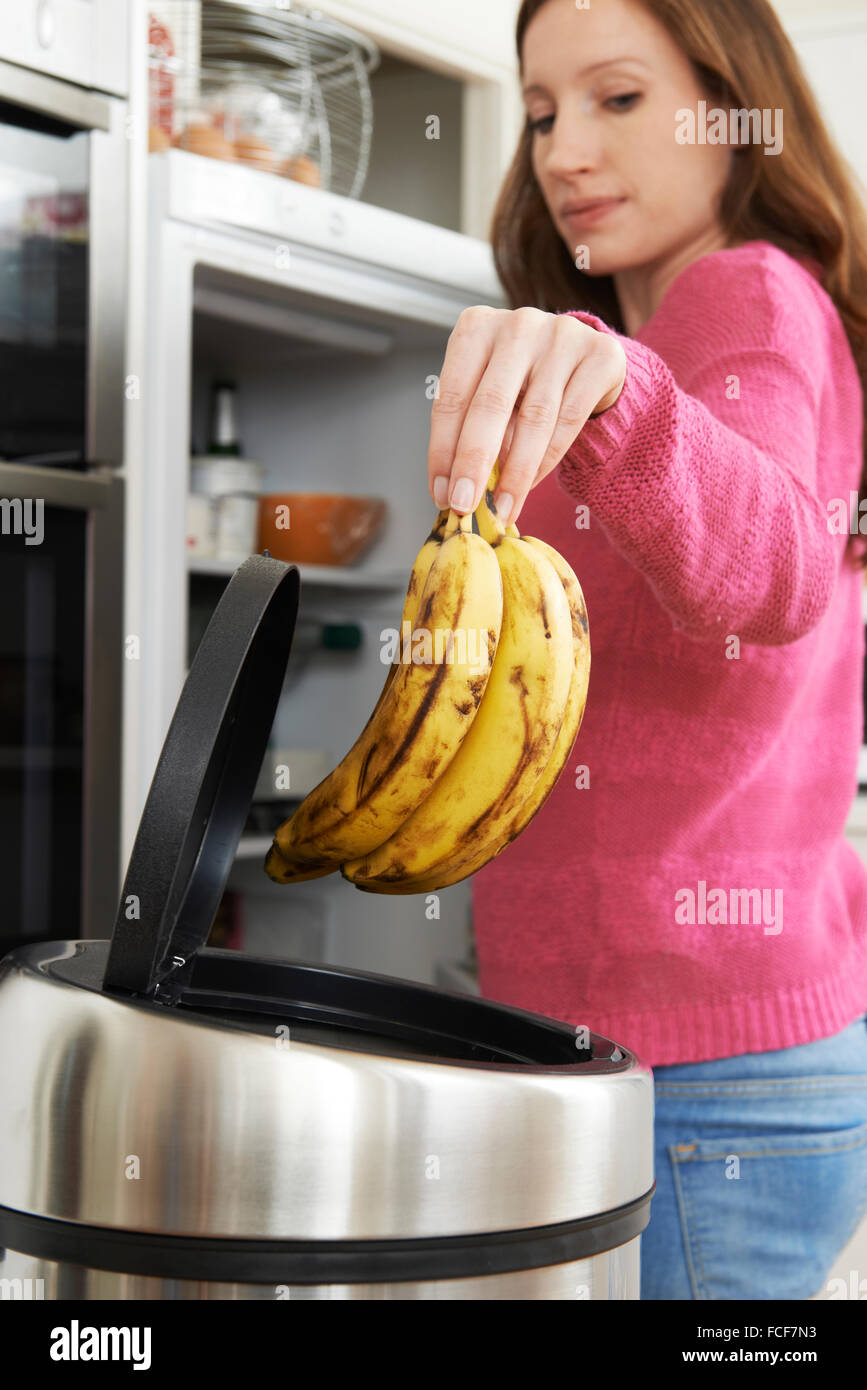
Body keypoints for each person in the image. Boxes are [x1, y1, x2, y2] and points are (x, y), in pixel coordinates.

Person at [427, 0, 867, 1300]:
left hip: (701, 1083)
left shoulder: (745, 296)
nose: (565, 150)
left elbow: (776, 561)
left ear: (739, 111)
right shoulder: (662, 336)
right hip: (663, 1059)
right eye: (543, 109)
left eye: (618, 99)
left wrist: (616, 390)